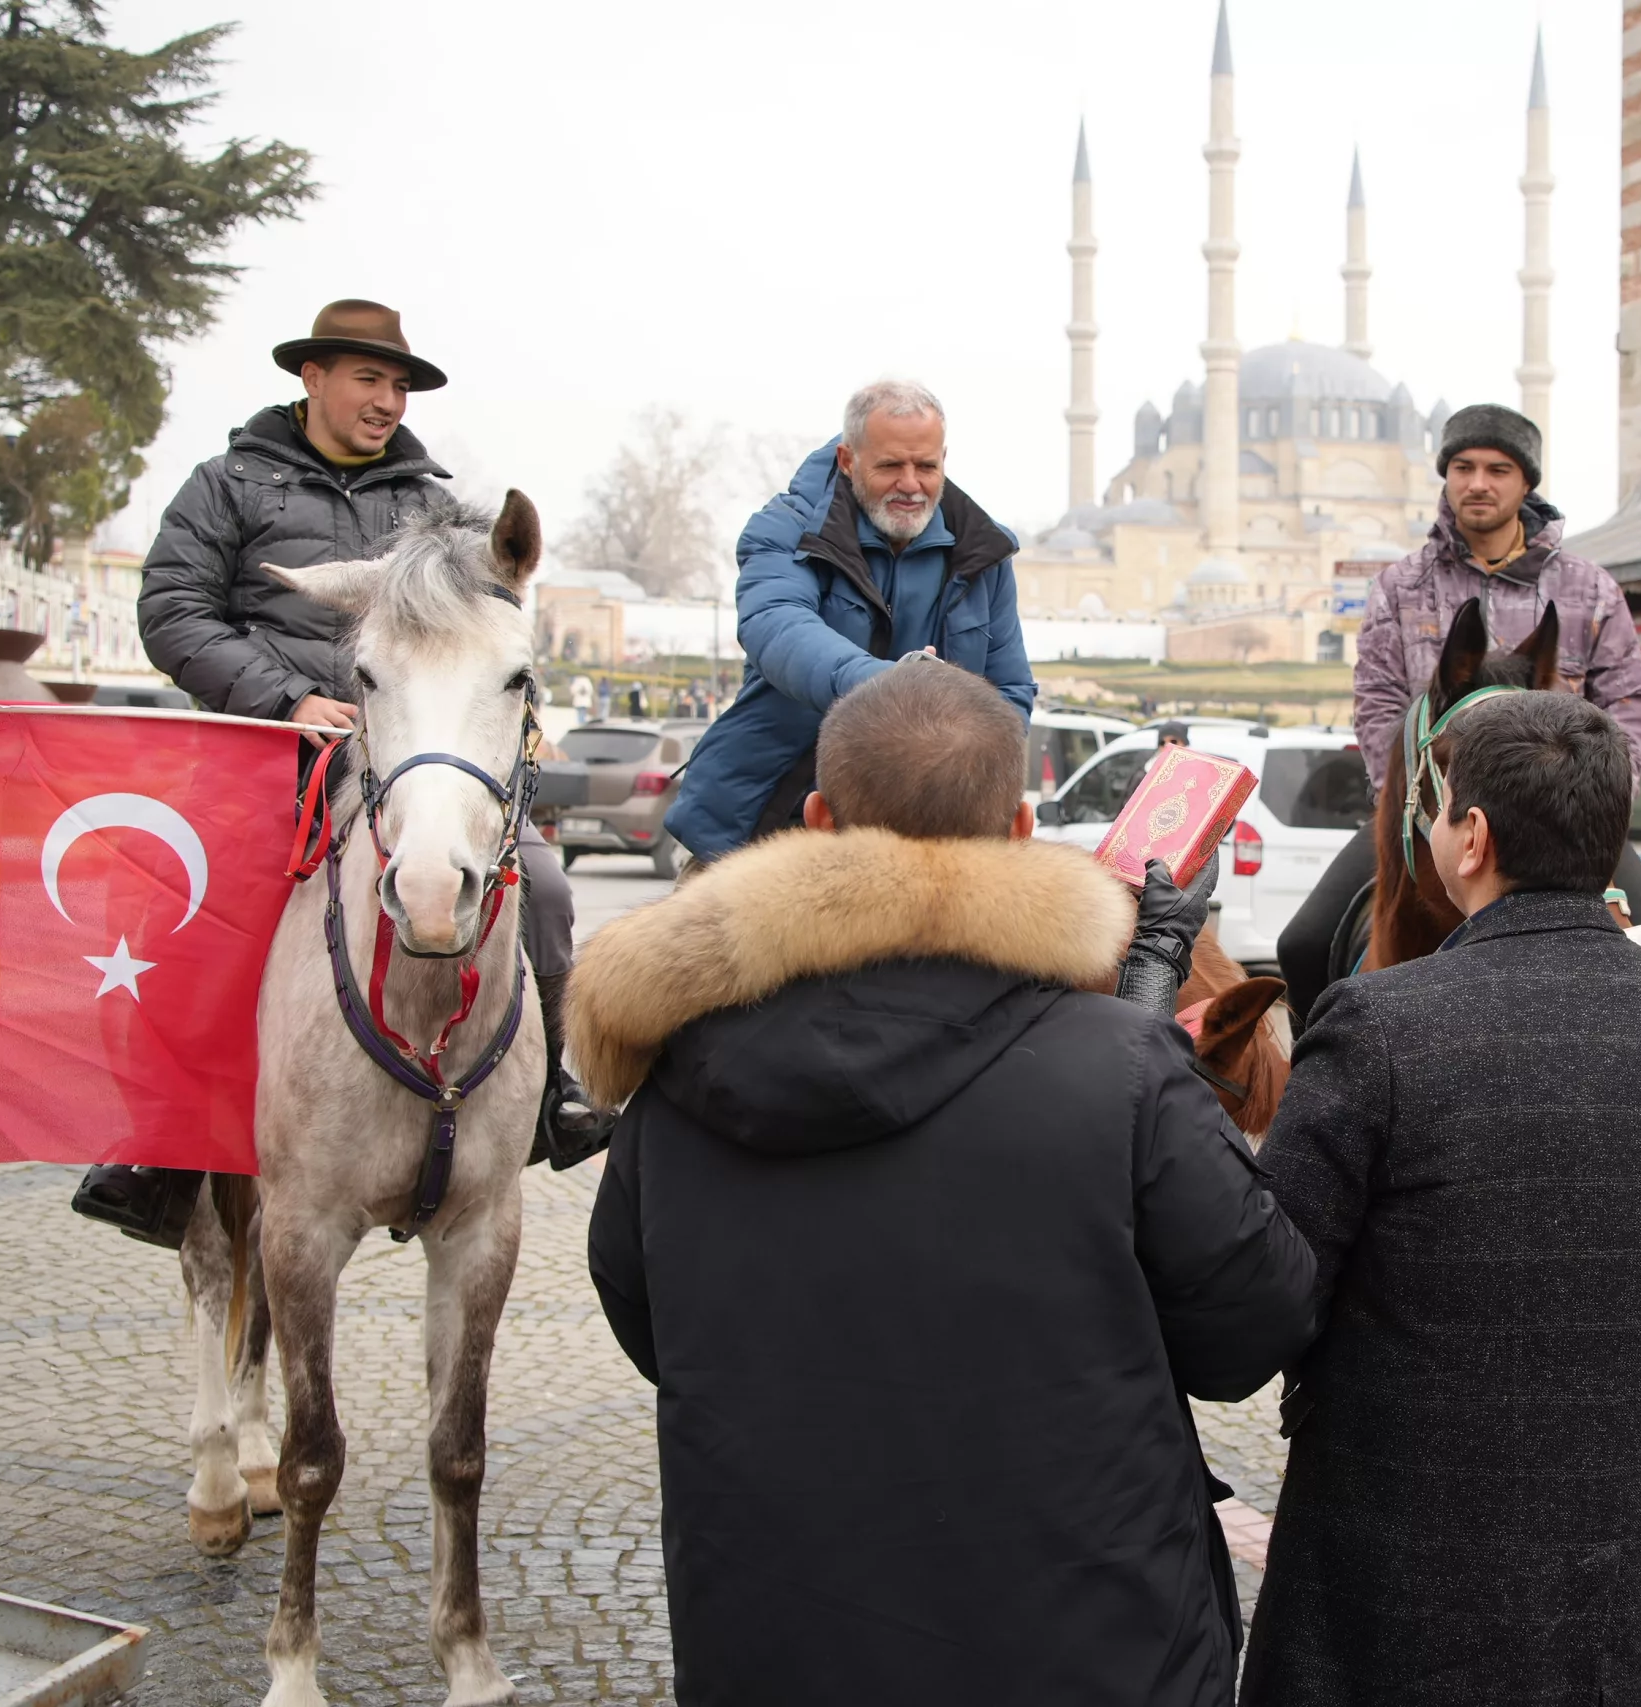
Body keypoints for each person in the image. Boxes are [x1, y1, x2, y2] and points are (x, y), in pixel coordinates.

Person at [579, 660, 1318, 1705]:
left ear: (819, 819)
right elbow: (1253, 1327)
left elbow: (652, 1323)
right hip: (1091, 1648)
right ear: (1020, 828)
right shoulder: (1120, 1066)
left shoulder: (677, 1078)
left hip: (778, 1641)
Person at [1240, 692, 1641, 1705]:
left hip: (1401, 1626)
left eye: (1441, 807)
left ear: (1473, 837)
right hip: (1640, 1633)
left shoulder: (1376, 1027)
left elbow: (1258, 1305)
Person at [80, 300, 609, 1246]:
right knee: (196, 918)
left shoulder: (433, 509)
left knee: (549, 887)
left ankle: (549, 1097)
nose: (387, 400)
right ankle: (161, 1147)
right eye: (369, 378)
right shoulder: (226, 485)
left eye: (399, 385)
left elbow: (484, 630)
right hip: (269, 754)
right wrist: (286, 698)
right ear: (312, 376)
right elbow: (172, 610)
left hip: (410, 758)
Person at [1273, 401, 1641, 1020]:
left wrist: (1597, 806)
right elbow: (1377, 703)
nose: (1478, 483)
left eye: (1498, 469)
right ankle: (1322, 1070)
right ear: (1446, 476)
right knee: (1302, 944)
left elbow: (1628, 703)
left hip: (1568, 826)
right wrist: (1417, 808)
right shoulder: (1400, 587)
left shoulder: (1590, 590)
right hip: (1427, 814)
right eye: (1463, 467)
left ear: (1526, 483)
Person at [665, 380, 1035, 861]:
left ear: (944, 459)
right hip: (763, 829)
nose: (910, 484)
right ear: (847, 460)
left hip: (930, 843)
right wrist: (894, 686)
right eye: (890, 466)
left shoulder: (985, 551)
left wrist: (959, 776)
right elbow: (776, 626)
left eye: (926, 466)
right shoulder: (787, 530)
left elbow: (1010, 692)